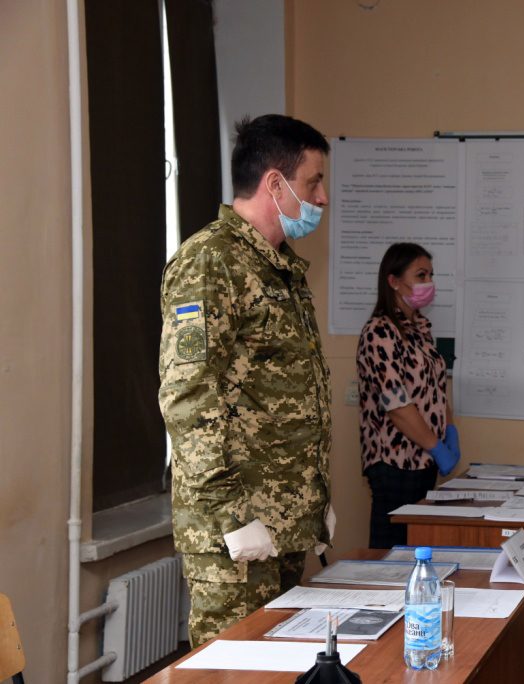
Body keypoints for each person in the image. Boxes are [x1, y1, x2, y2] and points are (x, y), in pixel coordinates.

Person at [158, 114, 335, 647]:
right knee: (233, 670)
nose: (323, 197)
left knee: (280, 664)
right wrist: (233, 516)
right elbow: (188, 398)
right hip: (234, 535)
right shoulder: (211, 262)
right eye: (313, 182)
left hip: (282, 524)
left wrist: (314, 496)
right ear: (275, 184)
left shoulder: (279, 266)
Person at [356, 242, 460, 549]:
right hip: (395, 464)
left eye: (430, 275)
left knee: (420, 549)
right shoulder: (379, 332)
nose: (428, 283)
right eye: (420, 275)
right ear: (393, 281)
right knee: (392, 555)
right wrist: (437, 447)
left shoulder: (420, 328)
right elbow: (397, 405)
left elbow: (435, 388)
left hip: (424, 461)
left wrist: (449, 430)